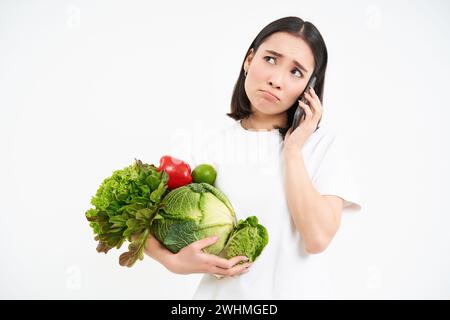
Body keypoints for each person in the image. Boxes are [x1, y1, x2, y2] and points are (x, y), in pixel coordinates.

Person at [144, 16, 362, 299]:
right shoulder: (207, 145)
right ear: (249, 60)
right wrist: (173, 261)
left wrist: (293, 151)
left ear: (310, 87)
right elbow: (137, 221)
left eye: (296, 72)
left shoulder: (321, 145)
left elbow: (317, 238)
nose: (276, 79)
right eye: (270, 59)